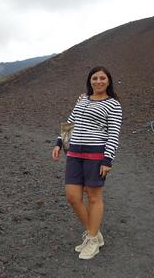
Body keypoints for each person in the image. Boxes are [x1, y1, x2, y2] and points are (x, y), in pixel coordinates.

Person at [52, 66, 122, 260]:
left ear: (108, 81)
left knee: (93, 198)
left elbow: (114, 134)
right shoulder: (83, 99)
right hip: (74, 153)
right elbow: (71, 122)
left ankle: (92, 239)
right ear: (89, 81)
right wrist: (60, 143)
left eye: (102, 78)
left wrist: (107, 160)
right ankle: (95, 233)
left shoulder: (113, 105)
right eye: (94, 78)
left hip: (96, 156)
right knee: (72, 197)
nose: (98, 81)